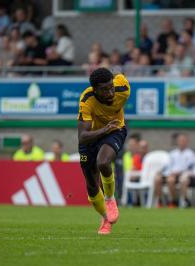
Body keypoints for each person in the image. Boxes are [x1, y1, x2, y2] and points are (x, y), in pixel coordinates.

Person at [78, 68, 130, 235]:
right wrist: (104, 130)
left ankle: (109, 199)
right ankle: (106, 218)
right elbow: (83, 137)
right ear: (95, 90)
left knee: (103, 162)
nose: (110, 92)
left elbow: (118, 72)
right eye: (104, 89)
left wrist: (109, 130)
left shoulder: (123, 88)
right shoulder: (87, 99)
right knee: (92, 186)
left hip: (115, 130)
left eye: (111, 87)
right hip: (91, 137)